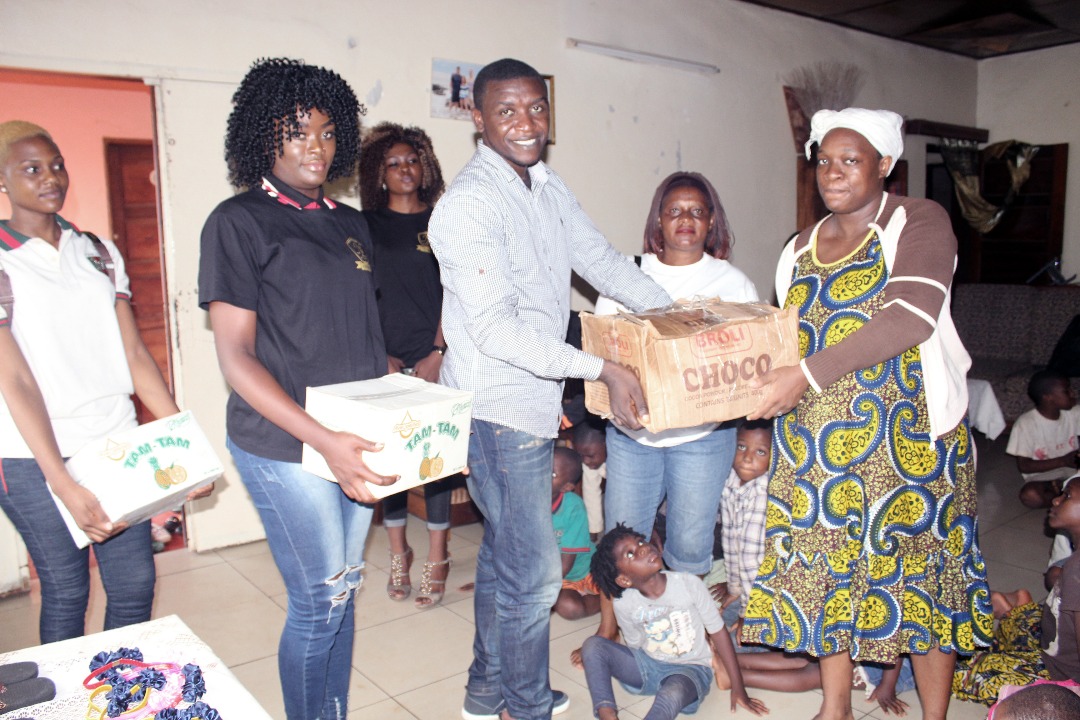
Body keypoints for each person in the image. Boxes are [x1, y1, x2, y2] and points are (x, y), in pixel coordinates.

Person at [427, 57, 671, 720]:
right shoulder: (469, 205)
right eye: (507, 110)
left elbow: (599, 261)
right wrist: (603, 369)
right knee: (534, 579)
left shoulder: (544, 183)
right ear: (477, 117)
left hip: (528, 403)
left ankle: (488, 692)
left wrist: (676, 314)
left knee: (507, 561)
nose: (526, 123)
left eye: (536, 107)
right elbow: (498, 332)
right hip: (495, 410)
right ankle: (525, 705)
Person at [742, 107, 992, 720]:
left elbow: (911, 317)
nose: (833, 172)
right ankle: (836, 707)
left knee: (922, 581)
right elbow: (786, 339)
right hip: (817, 446)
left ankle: (934, 716)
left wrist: (803, 376)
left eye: (850, 161)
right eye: (824, 160)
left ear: (885, 165)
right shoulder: (797, 247)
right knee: (830, 575)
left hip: (908, 443)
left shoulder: (918, 220)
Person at [198, 57, 391, 720]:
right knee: (317, 600)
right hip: (284, 443)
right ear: (265, 135)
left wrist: (402, 413)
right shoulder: (238, 221)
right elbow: (236, 357)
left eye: (329, 132)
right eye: (298, 131)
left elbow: (360, 337)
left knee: (343, 592)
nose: (317, 146)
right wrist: (325, 440)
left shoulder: (351, 223)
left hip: (353, 437)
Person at [0, 121, 210, 644]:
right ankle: (69, 689)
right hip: (31, 456)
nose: (50, 177)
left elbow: (134, 355)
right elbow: (15, 379)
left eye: (56, 165)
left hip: (112, 443)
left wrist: (188, 447)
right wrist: (63, 483)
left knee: (135, 585)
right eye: (31, 169)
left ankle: (115, 681)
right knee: (67, 590)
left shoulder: (98, 252)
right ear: (2, 180)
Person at [594, 171, 758, 578]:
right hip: (633, 435)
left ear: (711, 221)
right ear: (659, 220)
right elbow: (602, 353)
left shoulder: (733, 283)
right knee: (620, 544)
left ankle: (689, 615)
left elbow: (752, 360)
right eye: (675, 211)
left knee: (690, 546)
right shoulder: (626, 274)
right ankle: (618, 616)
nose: (686, 219)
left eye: (697, 211)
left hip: (704, 438)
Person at [359, 121, 454, 609]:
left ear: (425, 166)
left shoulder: (443, 222)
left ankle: (438, 555)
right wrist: (379, 354)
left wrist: (437, 352)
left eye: (412, 160)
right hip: (386, 359)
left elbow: (457, 292)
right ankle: (399, 551)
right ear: (379, 173)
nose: (404, 169)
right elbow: (357, 294)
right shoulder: (365, 226)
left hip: (435, 355)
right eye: (393, 163)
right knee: (392, 457)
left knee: (435, 458)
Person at [580, 523, 768, 719]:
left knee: (670, 695)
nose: (643, 548)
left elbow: (718, 632)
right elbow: (635, 644)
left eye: (641, 542)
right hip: (649, 665)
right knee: (593, 646)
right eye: (630, 554)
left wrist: (738, 687)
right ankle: (607, 714)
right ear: (624, 580)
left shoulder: (688, 584)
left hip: (690, 669)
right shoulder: (623, 603)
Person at [952, 476, 1080, 704]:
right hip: (1049, 642)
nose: (1056, 501)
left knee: (956, 673)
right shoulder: (1074, 562)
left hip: (1062, 675)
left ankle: (1015, 611)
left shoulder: (1077, 570)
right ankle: (1017, 613)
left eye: (1067, 496)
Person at [717, 420, 772, 636]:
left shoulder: (762, 491)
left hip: (768, 581)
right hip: (749, 581)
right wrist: (734, 589)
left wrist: (749, 613)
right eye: (741, 447)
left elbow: (750, 559)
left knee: (740, 637)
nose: (747, 458)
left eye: (760, 452)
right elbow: (730, 540)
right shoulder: (730, 481)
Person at [1006, 369, 1080, 509]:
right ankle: (1066, 499)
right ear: (1048, 397)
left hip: (1073, 472)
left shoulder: (1074, 413)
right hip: (1043, 477)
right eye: (1066, 391)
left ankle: (1066, 497)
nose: (1072, 394)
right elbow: (1024, 466)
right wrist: (1063, 461)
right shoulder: (1026, 423)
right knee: (1031, 495)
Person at [551, 446, 601, 620]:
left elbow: (566, 563)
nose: (542, 475)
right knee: (569, 608)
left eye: (552, 474)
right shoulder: (528, 501)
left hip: (587, 569)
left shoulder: (573, 507)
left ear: (566, 487)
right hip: (563, 581)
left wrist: (537, 589)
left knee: (619, 585)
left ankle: (606, 600)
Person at [572, 417, 607, 539]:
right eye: (581, 455)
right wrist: (593, 529)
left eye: (590, 456)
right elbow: (591, 494)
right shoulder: (589, 463)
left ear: (606, 445)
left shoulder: (621, 460)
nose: (586, 461)